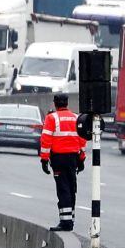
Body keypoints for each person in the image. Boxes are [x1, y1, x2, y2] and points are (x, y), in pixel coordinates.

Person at [39, 93, 86, 232]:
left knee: (63, 189)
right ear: (67, 103)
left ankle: (65, 222)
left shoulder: (51, 118)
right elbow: (82, 139)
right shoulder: (76, 118)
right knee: (71, 188)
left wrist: (44, 159)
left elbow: (46, 139)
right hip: (73, 158)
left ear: (55, 103)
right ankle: (70, 219)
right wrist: (82, 158)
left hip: (59, 158)